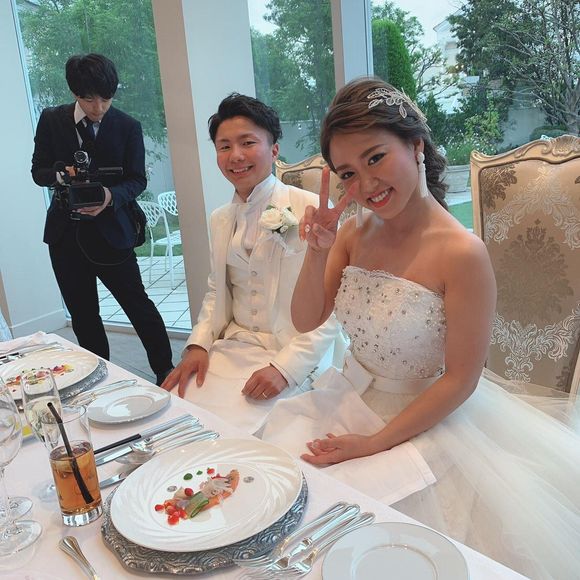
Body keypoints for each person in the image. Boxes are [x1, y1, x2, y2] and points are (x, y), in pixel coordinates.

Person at [260, 78, 580, 579]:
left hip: (428, 419)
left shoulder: (461, 253)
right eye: (348, 173)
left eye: (375, 157)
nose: (366, 184)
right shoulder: (353, 233)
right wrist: (317, 250)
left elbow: (461, 380)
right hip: (345, 398)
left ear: (415, 146)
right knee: (283, 516)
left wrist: (374, 443)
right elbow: (306, 320)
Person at [162, 93, 338, 432]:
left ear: (274, 150)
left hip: (293, 350)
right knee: (180, 415)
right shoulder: (220, 218)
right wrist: (198, 344)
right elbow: (217, 290)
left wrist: (287, 369)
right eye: (224, 146)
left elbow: (335, 307)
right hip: (235, 345)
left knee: (250, 434)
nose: (236, 156)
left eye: (247, 143)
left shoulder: (313, 210)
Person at [31, 53, 173, 385]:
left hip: (113, 233)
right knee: (83, 315)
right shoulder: (52, 120)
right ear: (74, 92)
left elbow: (137, 179)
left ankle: (166, 371)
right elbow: (38, 171)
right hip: (65, 236)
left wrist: (109, 197)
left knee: (138, 306)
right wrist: (61, 174)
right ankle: (101, 380)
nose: (98, 108)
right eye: (89, 99)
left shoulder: (127, 126)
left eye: (106, 98)